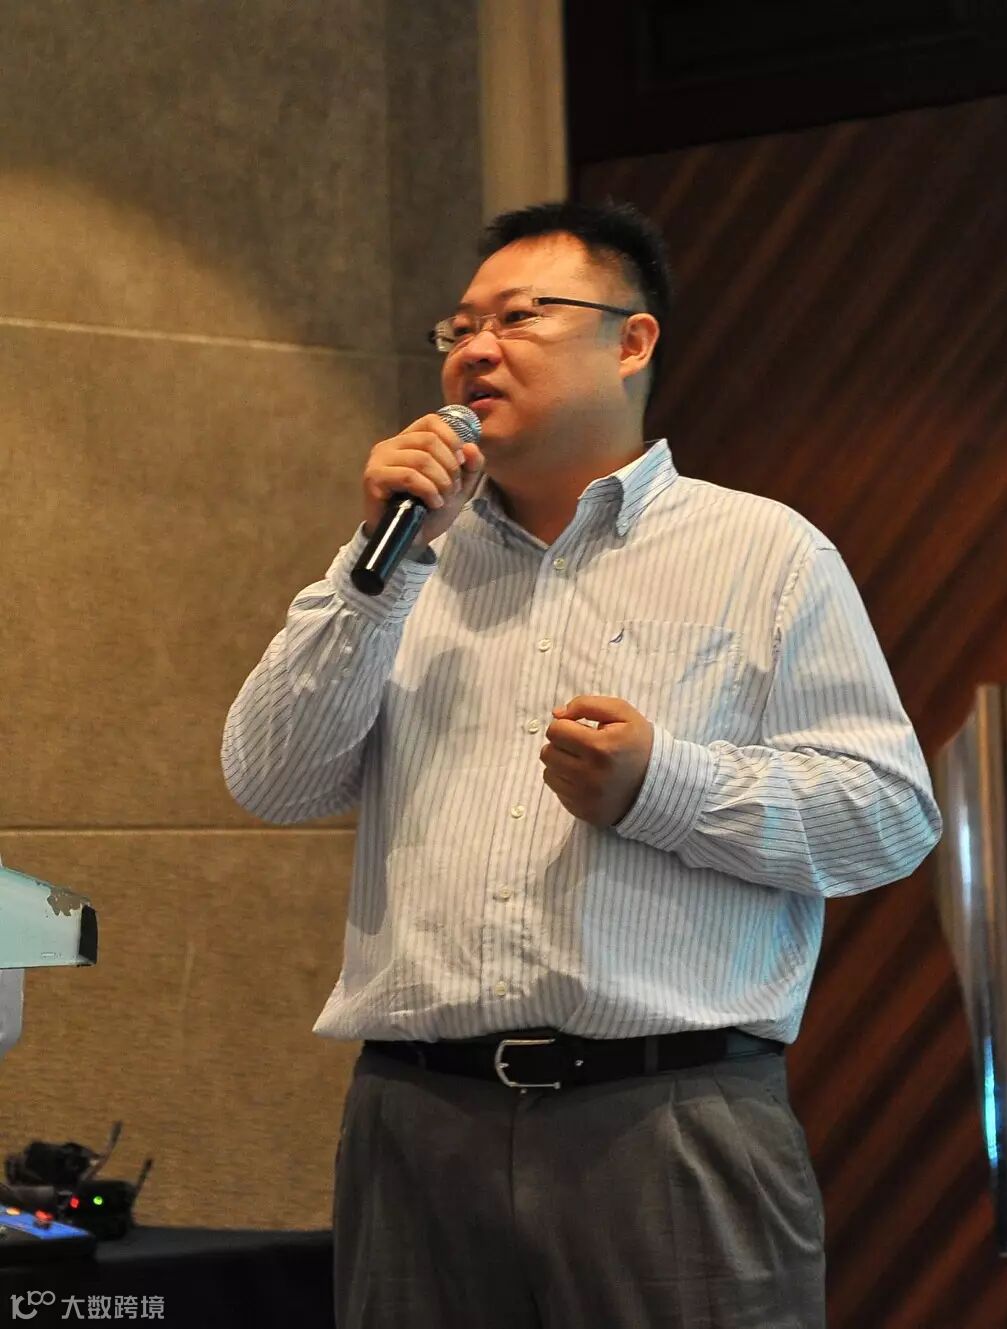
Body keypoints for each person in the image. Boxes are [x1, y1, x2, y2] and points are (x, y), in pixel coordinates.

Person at [221, 199, 941, 1329]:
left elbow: (887, 816)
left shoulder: (764, 552)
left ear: (631, 341)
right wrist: (375, 565)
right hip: (417, 1122)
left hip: (668, 1118)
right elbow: (271, 778)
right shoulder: (406, 563)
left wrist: (666, 788)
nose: (474, 349)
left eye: (517, 317)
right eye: (459, 327)